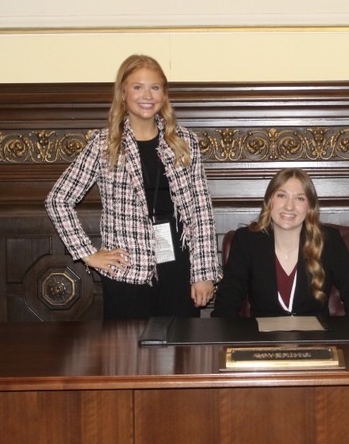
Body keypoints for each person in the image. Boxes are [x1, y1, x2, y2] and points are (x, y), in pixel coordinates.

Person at [45, 54, 220, 319]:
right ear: (123, 93)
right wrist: (88, 254)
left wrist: (203, 274)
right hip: (126, 269)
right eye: (137, 87)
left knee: (179, 353)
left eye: (155, 87)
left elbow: (202, 212)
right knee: (127, 355)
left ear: (164, 94)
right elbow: (58, 200)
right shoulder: (105, 145)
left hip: (178, 265)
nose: (147, 95)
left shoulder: (184, 142)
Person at [212, 168, 349, 318]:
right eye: (281, 196)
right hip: (261, 343)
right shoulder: (246, 241)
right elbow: (225, 308)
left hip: (317, 342)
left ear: (309, 206)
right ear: (270, 200)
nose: (289, 206)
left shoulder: (329, 241)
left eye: (299, 198)